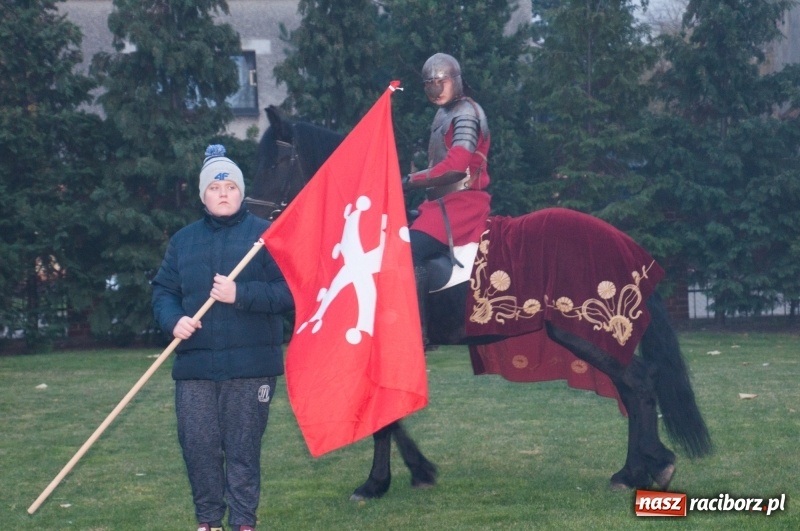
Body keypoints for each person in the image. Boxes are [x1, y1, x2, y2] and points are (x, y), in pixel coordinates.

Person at [151, 145, 294, 531]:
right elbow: (163, 291)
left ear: (241, 191)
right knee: (199, 449)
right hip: (195, 366)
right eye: (215, 188)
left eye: (231, 186)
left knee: (243, 451)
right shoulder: (183, 241)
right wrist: (173, 320)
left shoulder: (266, 237)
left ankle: (244, 522)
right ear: (203, 195)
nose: (224, 193)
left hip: (251, 368)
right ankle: (208, 521)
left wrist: (241, 295)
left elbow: (289, 293)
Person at [402, 52, 492, 347]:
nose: (436, 89)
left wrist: (410, 181)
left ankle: (417, 333)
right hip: (439, 205)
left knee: (408, 250)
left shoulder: (466, 113)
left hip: (461, 205)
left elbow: (456, 168)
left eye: (442, 81)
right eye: (430, 83)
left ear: (456, 81)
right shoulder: (443, 114)